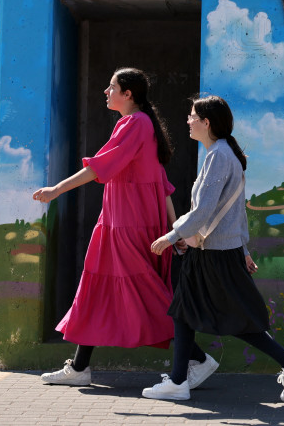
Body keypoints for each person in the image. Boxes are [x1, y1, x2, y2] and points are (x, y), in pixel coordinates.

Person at [145, 95, 284, 402]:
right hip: (212, 252)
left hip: (216, 256)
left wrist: (172, 236)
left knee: (235, 319)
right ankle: (179, 381)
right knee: (183, 310)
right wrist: (244, 249)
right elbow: (236, 209)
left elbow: (206, 209)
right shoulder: (221, 154)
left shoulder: (219, 156)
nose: (187, 121)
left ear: (206, 122)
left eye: (192, 116)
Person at [33, 67, 183, 386]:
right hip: (117, 223)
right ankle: (78, 368)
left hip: (128, 225)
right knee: (97, 290)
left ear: (128, 94)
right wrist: (174, 228)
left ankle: (195, 358)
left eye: (111, 86)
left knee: (145, 295)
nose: (106, 91)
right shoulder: (140, 124)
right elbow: (162, 184)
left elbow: (99, 167)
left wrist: (55, 190)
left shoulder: (135, 123)